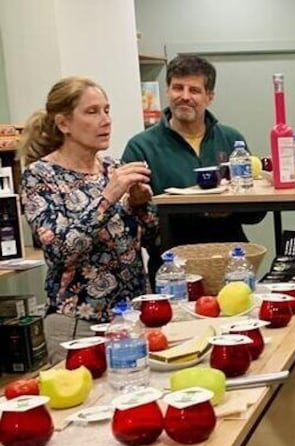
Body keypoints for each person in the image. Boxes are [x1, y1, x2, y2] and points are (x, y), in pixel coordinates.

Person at [18, 77, 157, 363]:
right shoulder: (40, 177)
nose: (105, 120)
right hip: (78, 325)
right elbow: (59, 251)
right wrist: (108, 197)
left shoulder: (113, 168)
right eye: (92, 112)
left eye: (107, 110)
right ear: (64, 123)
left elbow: (152, 238)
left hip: (130, 319)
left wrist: (141, 206)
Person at [121, 55, 264, 278]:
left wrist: (231, 208)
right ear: (168, 90)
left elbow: (256, 213)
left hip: (231, 263)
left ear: (210, 97)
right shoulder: (141, 147)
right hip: (172, 270)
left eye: (194, 90)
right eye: (178, 88)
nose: (185, 97)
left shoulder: (231, 140)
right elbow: (132, 225)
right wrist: (137, 201)